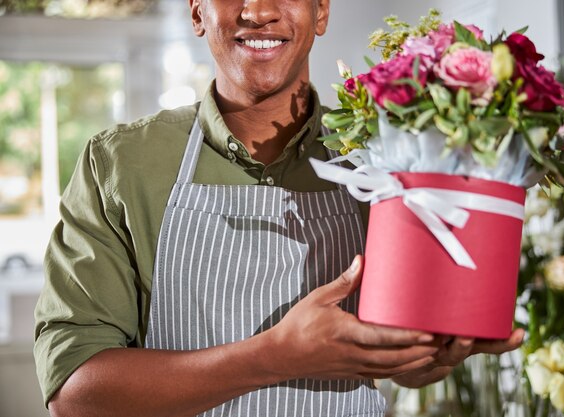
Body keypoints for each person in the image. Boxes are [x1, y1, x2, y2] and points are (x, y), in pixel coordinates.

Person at [34, 1, 524, 416]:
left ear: (322, 10)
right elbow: (75, 392)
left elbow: (405, 360)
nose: (260, 11)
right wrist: (273, 357)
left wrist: (436, 352)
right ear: (196, 11)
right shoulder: (123, 163)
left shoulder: (387, 156)